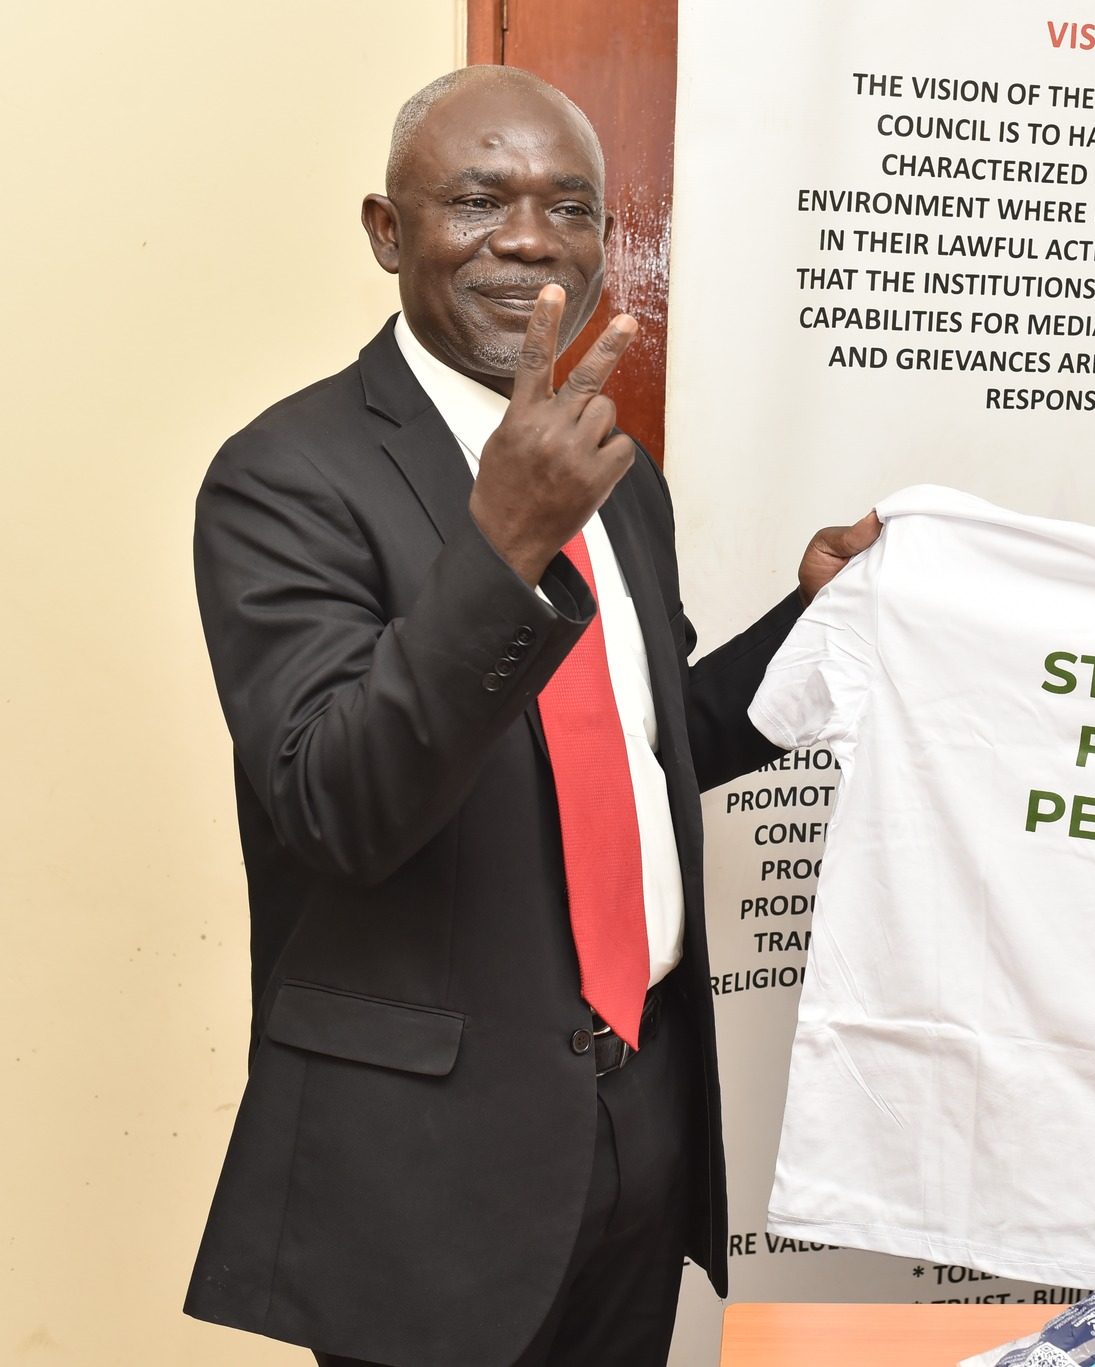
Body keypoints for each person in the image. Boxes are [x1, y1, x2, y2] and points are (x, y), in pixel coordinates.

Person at [185, 67, 877, 1365]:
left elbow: (650, 748)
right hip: (429, 1169)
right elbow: (340, 806)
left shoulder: (611, 473)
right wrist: (501, 550)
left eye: (569, 205)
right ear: (389, 231)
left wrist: (816, 618)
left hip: (641, 1112)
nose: (526, 236)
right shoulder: (286, 479)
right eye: (477, 198)